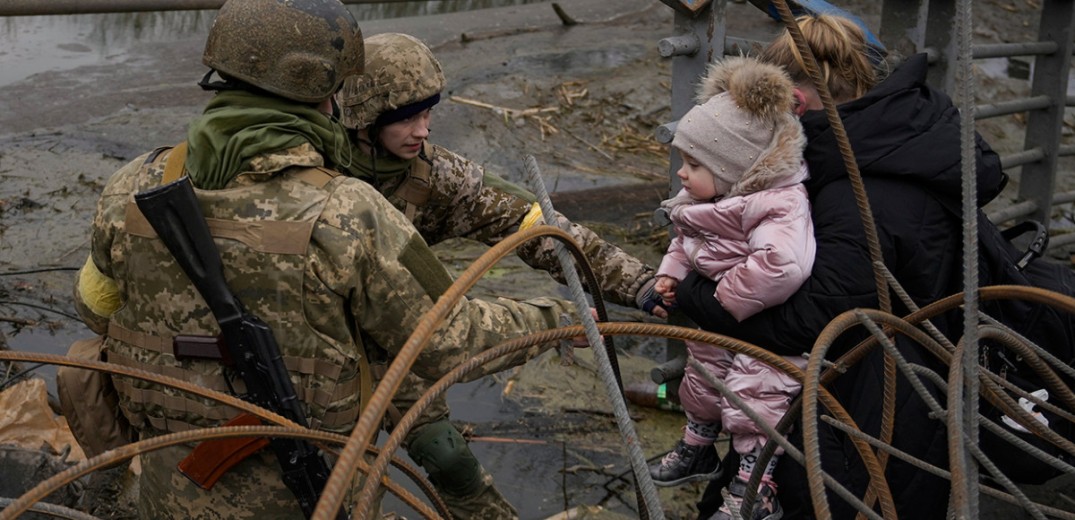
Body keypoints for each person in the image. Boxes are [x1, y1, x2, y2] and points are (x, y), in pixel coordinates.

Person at [69, 1, 582, 518]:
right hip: (314, 496)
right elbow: (449, 342)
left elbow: (95, 307)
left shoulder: (133, 184)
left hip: (169, 494)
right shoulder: (349, 210)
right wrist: (557, 320)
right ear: (322, 95)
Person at [674, 14, 1007, 520]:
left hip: (863, 429)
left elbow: (810, 321)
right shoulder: (909, 134)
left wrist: (693, 293)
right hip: (928, 400)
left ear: (795, 105)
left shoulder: (856, 191)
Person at [333, 32, 664, 519]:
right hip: (321, 354)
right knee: (341, 489)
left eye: (428, 114)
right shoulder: (312, 172)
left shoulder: (436, 177)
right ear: (365, 117)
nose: (423, 131)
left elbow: (535, 227)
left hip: (397, 342)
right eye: (406, 117)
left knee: (448, 456)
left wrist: (640, 285)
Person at [644, 56, 813, 520]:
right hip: (722, 322)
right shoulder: (707, 199)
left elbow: (784, 263)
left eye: (694, 163)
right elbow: (687, 242)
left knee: (754, 400)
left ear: (734, 167)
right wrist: (670, 275)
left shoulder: (777, 204)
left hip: (761, 326)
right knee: (702, 377)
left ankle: (754, 488)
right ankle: (698, 447)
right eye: (683, 159)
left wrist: (725, 299)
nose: (681, 172)